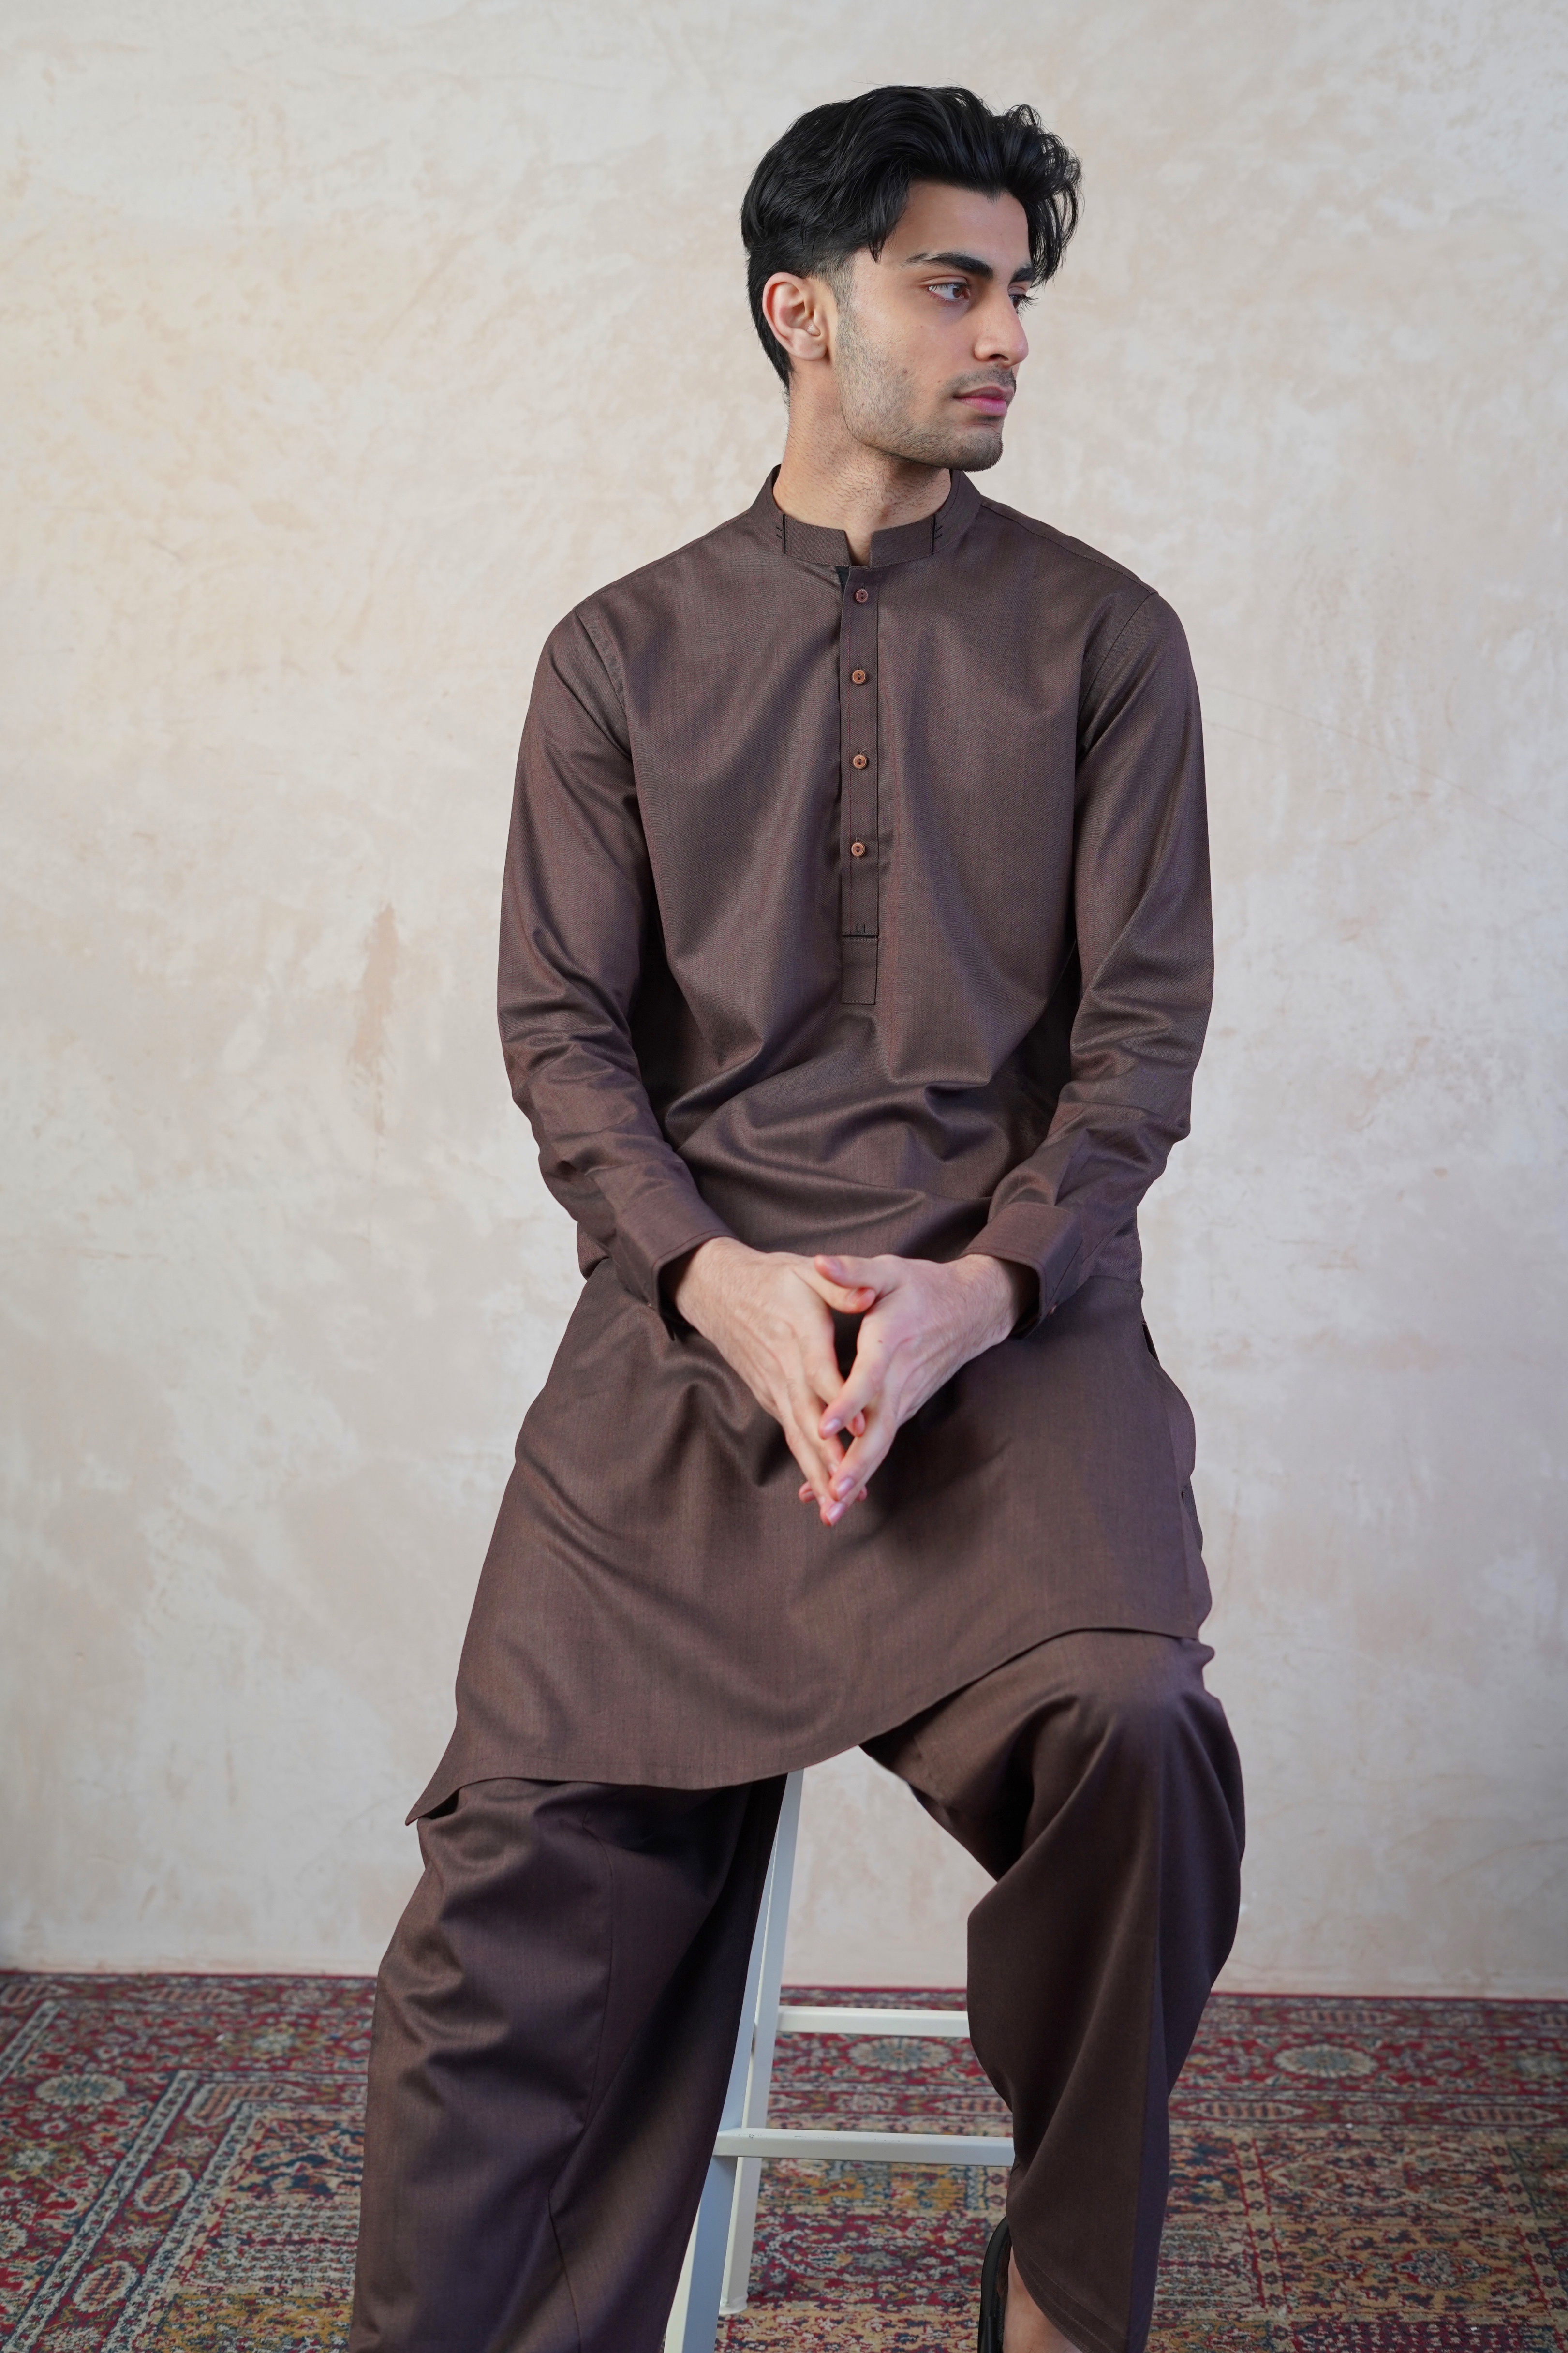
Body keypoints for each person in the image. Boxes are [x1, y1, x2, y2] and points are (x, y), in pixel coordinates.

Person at [349, 83, 1244, 2353]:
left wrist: (976, 1291)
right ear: (800, 308)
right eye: (952, 283)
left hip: (1009, 1350)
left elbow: (1138, 1043)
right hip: (685, 1354)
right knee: (503, 1917)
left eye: (1017, 291)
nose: (1004, 336)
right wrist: (717, 1283)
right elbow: (564, 1036)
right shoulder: (622, 656)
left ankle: (1059, 2298)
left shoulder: (1107, 644)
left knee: (1133, 1730)